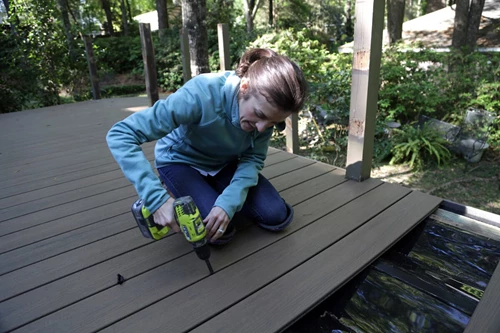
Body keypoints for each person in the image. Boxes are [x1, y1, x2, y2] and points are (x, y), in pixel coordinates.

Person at [106, 48, 308, 245]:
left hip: (223, 162)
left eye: (272, 123)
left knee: (276, 215)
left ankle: (205, 191)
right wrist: (155, 198)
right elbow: (121, 134)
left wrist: (228, 203)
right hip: (180, 161)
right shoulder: (201, 94)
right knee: (216, 232)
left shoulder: (265, 113)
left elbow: (252, 159)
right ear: (244, 87)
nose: (263, 128)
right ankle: (168, 190)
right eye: (261, 115)